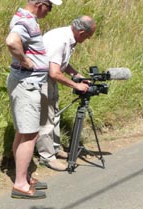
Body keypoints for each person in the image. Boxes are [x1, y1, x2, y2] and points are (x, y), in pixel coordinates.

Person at [5, 0, 62, 199]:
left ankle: (25, 176)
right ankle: (20, 183)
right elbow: (11, 41)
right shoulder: (25, 21)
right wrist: (25, 60)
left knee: (24, 132)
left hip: (26, 83)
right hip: (26, 83)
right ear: (39, 4)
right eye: (49, 6)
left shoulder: (27, 18)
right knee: (29, 134)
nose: (50, 11)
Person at [36, 15, 96, 171]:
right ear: (82, 32)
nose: (87, 40)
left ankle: (55, 148)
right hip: (43, 80)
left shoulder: (68, 37)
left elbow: (61, 62)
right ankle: (47, 156)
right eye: (88, 37)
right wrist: (76, 86)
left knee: (54, 114)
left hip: (50, 79)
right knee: (46, 118)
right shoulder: (60, 40)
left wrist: (76, 74)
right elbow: (54, 72)